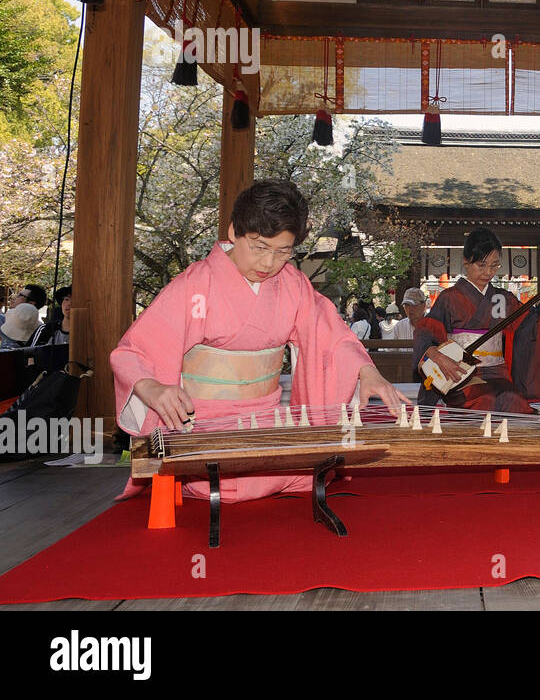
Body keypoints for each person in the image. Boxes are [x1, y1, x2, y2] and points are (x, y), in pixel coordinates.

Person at [110, 179, 408, 502]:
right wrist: (154, 388)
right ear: (233, 232)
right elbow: (132, 351)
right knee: (221, 475)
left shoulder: (293, 286)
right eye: (259, 247)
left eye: (283, 252)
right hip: (206, 428)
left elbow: (333, 336)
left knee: (306, 465)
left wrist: (367, 371)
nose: (269, 264)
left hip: (266, 424)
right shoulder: (194, 287)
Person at [414, 227, 540, 412]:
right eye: (482, 265)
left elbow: (533, 326)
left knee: (513, 401)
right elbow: (426, 333)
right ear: (467, 262)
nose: (488, 272)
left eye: (494, 265)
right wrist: (437, 356)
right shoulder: (449, 298)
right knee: (484, 400)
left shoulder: (504, 298)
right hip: (461, 372)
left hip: (497, 372)